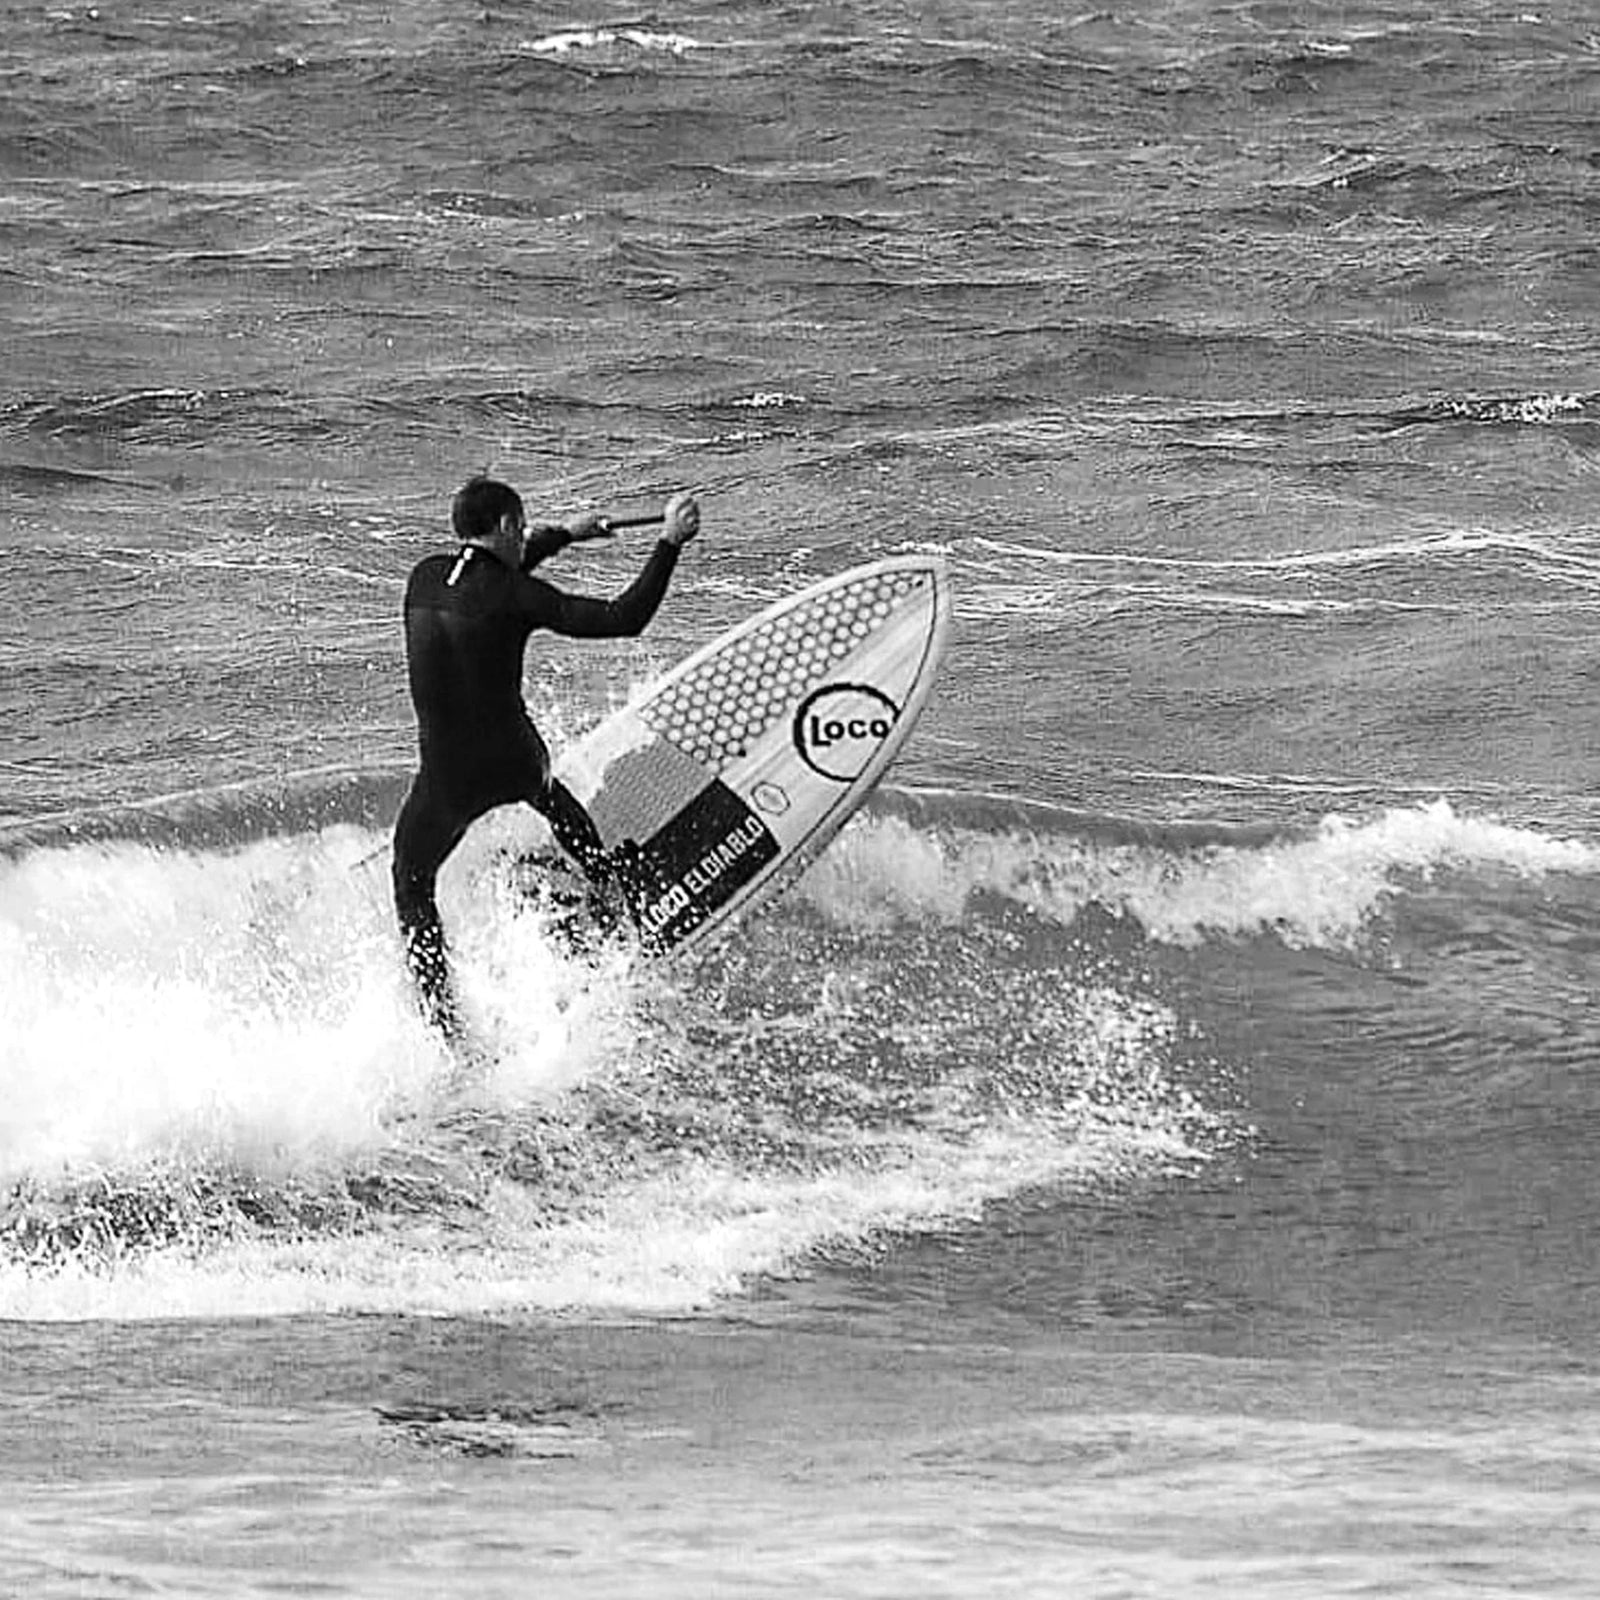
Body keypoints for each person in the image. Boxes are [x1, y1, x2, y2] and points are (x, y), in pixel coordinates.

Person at [392, 476, 701, 1038]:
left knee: (412, 883)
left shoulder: (423, 579)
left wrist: (567, 536)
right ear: (508, 526)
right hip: (515, 761)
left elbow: (487, 581)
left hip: (444, 784)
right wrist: (670, 542)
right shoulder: (517, 596)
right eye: (522, 526)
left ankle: (443, 1021)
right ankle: (609, 879)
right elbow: (622, 618)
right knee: (549, 796)